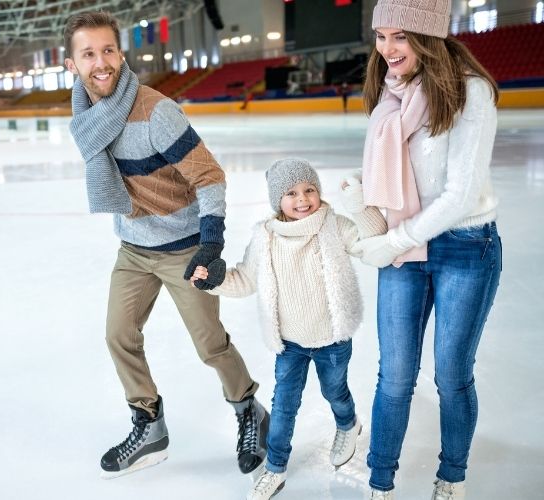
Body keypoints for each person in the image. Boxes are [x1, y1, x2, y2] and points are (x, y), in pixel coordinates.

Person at [63, 11, 268, 479]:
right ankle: (149, 425)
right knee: (119, 335)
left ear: (121, 53)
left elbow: (209, 176)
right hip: (134, 249)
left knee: (210, 345)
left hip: (181, 247)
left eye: (108, 50)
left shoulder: (156, 112)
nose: (101, 62)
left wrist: (210, 242)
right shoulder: (88, 117)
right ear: (72, 64)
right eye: (88, 53)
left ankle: (249, 412)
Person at [355, 1, 502, 499]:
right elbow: (390, 183)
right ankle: (380, 482)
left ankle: (451, 477)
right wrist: (365, 213)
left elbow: (458, 195)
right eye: (380, 36)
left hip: (465, 245)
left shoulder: (470, 92)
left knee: (452, 376)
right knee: (394, 376)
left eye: (400, 37)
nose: (387, 49)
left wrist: (393, 241)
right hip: (406, 249)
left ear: (426, 37)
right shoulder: (389, 95)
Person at [191, 158, 387, 499]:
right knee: (283, 406)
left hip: (332, 339)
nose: (302, 199)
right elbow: (245, 280)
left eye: (309, 189)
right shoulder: (265, 237)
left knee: (335, 392)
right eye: (291, 193)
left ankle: (348, 424)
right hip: (291, 344)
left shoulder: (333, 225)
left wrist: (362, 208)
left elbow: (370, 246)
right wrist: (215, 281)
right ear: (276, 200)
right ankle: (275, 468)